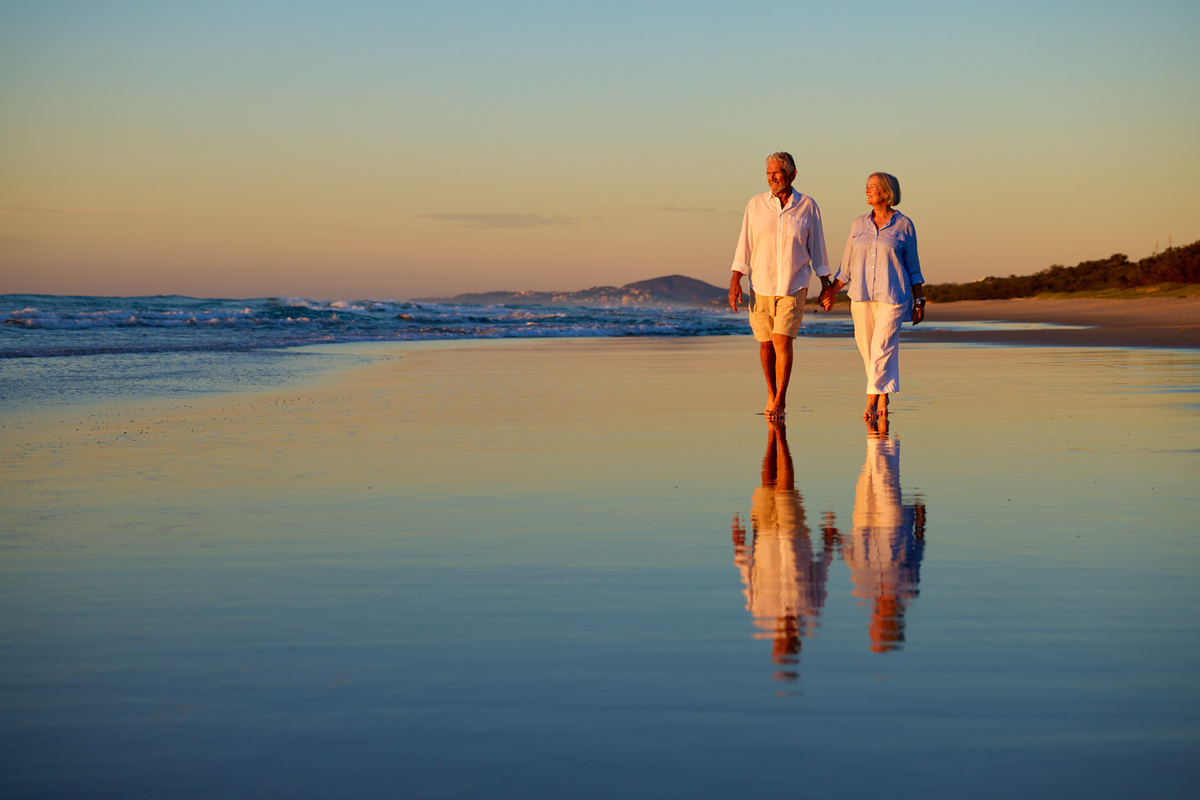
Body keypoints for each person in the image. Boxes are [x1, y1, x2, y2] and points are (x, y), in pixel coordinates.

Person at [729, 152, 832, 420]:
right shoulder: (755, 205)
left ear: (792, 175)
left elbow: (818, 248)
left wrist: (825, 284)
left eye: (777, 172)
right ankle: (770, 391)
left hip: (793, 285)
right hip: (760, 285)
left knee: (781, 340)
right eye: (769, 173)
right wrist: (735, 281)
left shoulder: (808, 206)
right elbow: (744, 245)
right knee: (765, 345)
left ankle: (780, 401)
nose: (772, 178)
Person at [820, 172, 924, 420]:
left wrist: (919, 301)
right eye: (866, 186)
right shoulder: (858, 224)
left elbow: (914, 267)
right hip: (861, 297)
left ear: (886, 193)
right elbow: (846, 266)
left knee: (881, 348)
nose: (866, 190)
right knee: (868, 350)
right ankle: (883, 396)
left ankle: (870, 402)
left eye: (872, 187)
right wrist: (832, 291)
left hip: (893, 296)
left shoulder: (904, 225)